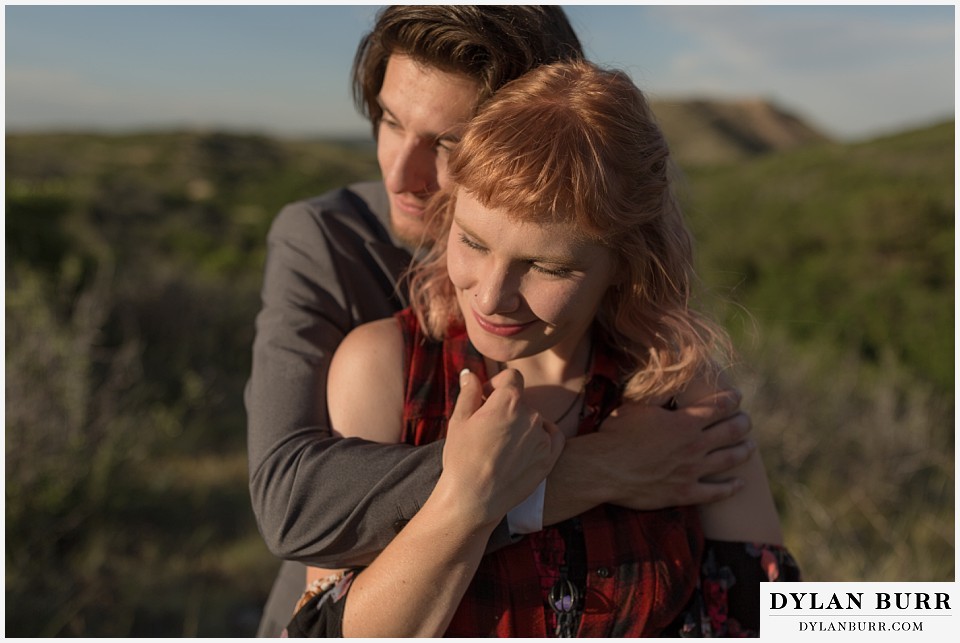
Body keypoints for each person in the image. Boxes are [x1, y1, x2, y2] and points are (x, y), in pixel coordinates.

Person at [247, 6, 755, 637]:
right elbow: (295, 506)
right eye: (388, 120)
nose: (400, 174)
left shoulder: (669, 377)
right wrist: (588, 470)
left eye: (447, 144)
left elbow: (770, 603)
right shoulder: (334, 260)